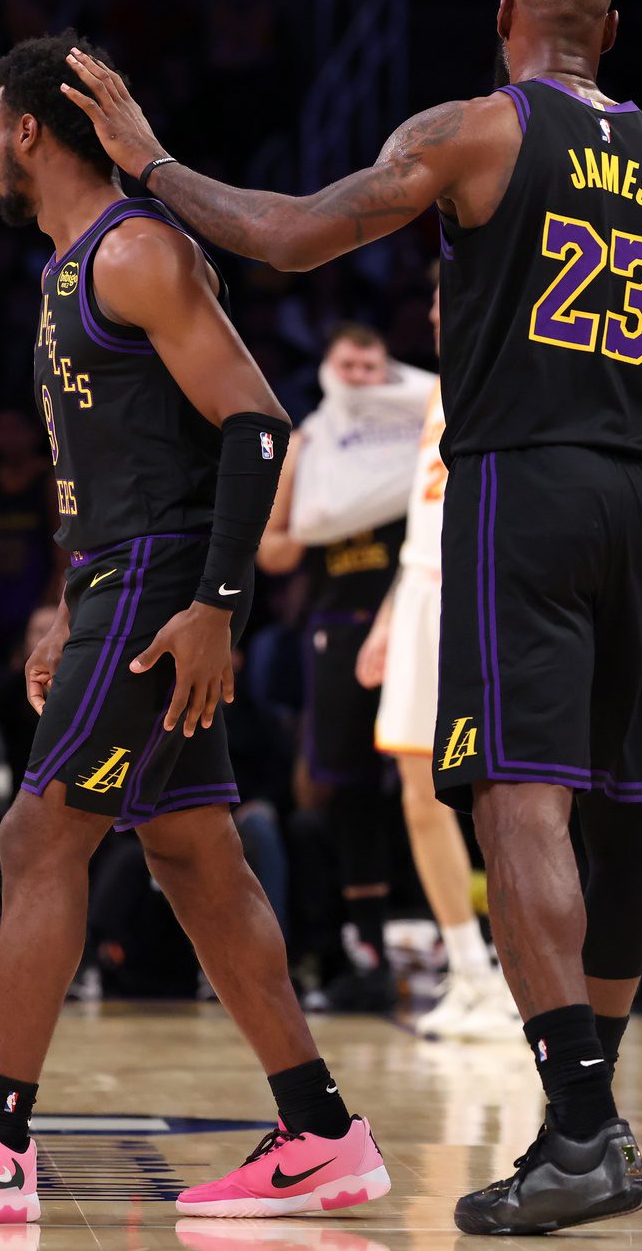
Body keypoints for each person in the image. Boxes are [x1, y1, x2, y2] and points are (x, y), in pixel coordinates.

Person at [61, 0, 642, 1232]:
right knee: (625, 801)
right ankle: (590, 1118)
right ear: (609, 32)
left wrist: (149, 163)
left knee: (518, 797)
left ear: (503, 17)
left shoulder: (473, 131)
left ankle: (580, 1129)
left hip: (526, 482)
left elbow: (285, 234)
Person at [0, 31, 389, 1226]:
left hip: (160, 585)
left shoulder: (135, 250)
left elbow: (255, 425)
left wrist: (216, 606)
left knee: (38, 835)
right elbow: (110, 465)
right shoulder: (65, 270)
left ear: (29, 131)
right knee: (192, 855)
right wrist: (59, 603)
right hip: (113, 578)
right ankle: (320, 1131)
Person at [358, 276, 514, 1040]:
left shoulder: (515, 369)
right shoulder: (441, 387)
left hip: (482, 589)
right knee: (418, 793)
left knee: (501, 795)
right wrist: (391, 614)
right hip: (422, 589)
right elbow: (426, 515)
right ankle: (472, 971)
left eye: (445, 295)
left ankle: (524, 976)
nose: (431, 310)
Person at [257, 323, 416, 1010]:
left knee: (444, 784)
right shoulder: (310, 442)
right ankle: (368, 955)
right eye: (346, 364)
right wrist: (318, 516)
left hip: (420, 615)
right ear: (327, 369)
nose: (358, 376)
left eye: (369, 365)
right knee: (348, 792)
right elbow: (271, 552)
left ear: (389, 371)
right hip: (339, 626)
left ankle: (475, 950)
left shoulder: (420, 426)